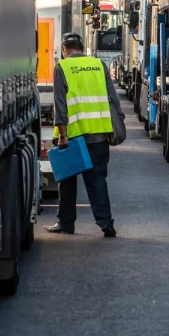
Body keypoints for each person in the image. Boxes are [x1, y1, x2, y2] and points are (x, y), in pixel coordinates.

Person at [48, 32, 123, 237]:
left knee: (68, 181)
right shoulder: (99, 65)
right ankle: (106, 223)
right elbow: (112, 99)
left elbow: (60, 104)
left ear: (64, 50)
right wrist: (114, 127)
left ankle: (66, 223)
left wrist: (62, 134)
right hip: (98, 135)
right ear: (81, 48)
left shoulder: (62, 67)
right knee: (97, 180)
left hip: (72, 136)